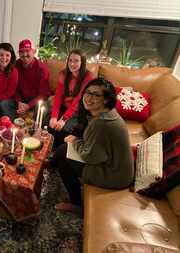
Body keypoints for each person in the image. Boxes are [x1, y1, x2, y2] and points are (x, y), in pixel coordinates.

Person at [54, 78, 134, 213]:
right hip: (114, 165)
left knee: (64, 159)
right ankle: (52, 163)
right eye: (87, 92)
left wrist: (75, 141)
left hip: (113, 175)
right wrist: (75, 141)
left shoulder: (102, 122)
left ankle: (77, 204)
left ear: (106, 100)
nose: (89, 98)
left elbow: (90, 156)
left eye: (96, 95)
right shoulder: (105, 113)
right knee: (63, 148)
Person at [49, 49, 94, 146]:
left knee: (64, 129)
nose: (72, 64)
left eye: (76, 61)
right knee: (48, 120)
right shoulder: (63, 74)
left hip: (78, 111)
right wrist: (54, 117)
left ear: (82, 62)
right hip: (64, 106)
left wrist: (64, 119)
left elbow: (78, 100)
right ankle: (47, 147)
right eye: (70, 60)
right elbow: (58, 96)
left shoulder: (88, 77)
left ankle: (59, 151)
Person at [15, 39, 50, 123]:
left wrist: (28, 106)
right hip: (22, 100)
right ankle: (13, 127)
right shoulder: (16, 65)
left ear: (33, 51)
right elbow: (14, 87)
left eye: (27, 51)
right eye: (21, 52)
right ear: (19, 53)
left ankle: (33, 131)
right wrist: (19, 102)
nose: (24, 54)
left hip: (36, 100)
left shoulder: (42, 69)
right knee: (6, 103)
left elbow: (43, 94)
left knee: (41, 107)